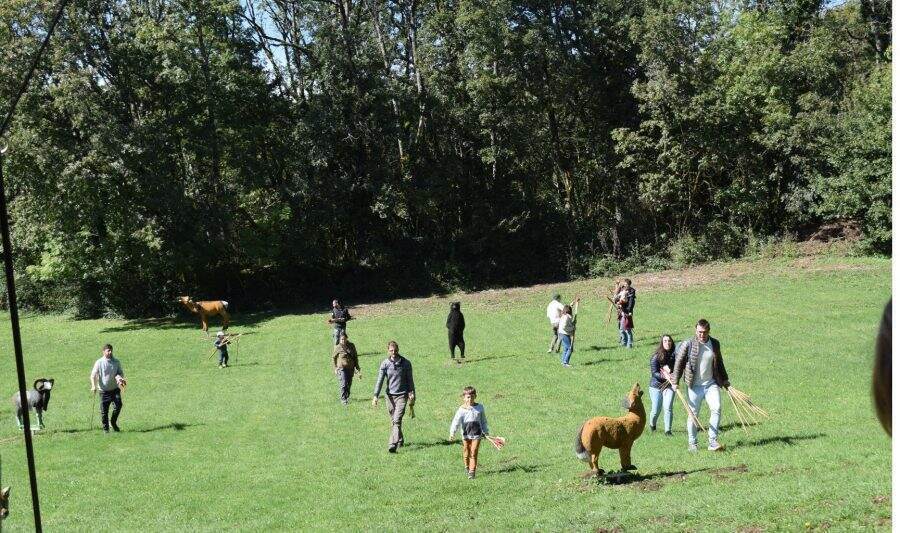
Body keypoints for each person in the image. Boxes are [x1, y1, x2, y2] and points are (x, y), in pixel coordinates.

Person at [672, 319, 729, 452]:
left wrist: (725, 379)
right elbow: (679, 363)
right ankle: (692, 443)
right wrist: (675, 382)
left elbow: (719, 362)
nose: (702, 335)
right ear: (695, 330)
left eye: (704, 332)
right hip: (694, 386)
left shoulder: (714, 343)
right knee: (693, 414)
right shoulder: (688, 344)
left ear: (709, 331)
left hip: (711, 384)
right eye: (699, 332)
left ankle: (712, 441)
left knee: (717, 408)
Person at [372, 341, 415, 453]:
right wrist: (376, 396)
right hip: (389, 397)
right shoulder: (385, 364)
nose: (393, 352)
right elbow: (380, 380)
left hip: (402, 395)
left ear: (398, 350)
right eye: (391, 350)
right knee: (394, 421)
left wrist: (412, 393)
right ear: (388, 351)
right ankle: (400, 440)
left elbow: (410, 380)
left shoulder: (406, 363)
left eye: (395, 350)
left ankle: (392, 444)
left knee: (397, 419)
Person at [449, 386, 490, 479]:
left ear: (475, 396)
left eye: (472, 397)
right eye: (468, 397)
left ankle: (472, 472)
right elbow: (455, 422)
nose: (470, 399)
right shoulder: (461, 410)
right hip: (466, 434)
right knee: (466, 451)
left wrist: (486, 431)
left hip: (477, 434)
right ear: (464, 398)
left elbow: (483, 421)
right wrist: (452, 433)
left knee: (474, 452)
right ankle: (467, 467)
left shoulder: (480, 407)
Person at [90, 344, 126, 433]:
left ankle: (113, 422)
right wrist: (93, 386)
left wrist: (120, 379)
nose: (110, 352)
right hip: (104, 391)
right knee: (104, 412)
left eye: (111, 350)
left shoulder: (116, 362)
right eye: (108, 351)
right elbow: (93, 375)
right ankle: (106, 429)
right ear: (103, 352)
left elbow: (120, 373)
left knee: (118, 405)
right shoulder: (99, 362)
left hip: (114, 389)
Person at [648, 334, 677, 435]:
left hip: (669, 385)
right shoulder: (656, 357)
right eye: (665, 341)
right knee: (656, 410)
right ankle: (652, 426)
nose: (667, 343)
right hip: (656, 386)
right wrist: (665, 376)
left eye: (669, 341)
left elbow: (678, 369)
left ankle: (668, 431)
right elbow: (654, 373)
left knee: (668, 407)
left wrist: (674, 376)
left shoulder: (675, 355)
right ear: (662, 343)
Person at [333, 332, 361, 405]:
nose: (343, 341)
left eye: (344, 339)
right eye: (342, 339)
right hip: (342, 368)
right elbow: (334, 357)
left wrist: (357, 367)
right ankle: (343, 399)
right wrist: (335, 367)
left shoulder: (351, 346)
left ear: (347, 339)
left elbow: (355, 356)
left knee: (349, 383)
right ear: (340, 340)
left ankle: (347, 396)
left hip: (350, 368)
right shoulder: (338, 347)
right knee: (344, 383)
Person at [616, 279, 636, 348]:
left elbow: (631, 303)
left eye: (626, 284)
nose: (624, 285)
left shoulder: (631, 292)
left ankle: (629, 344)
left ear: (629, 285)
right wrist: (618, 302)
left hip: (627, 312)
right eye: (624, 284)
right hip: (621, 311)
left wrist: (628, 311)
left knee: (627, 329)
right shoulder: (622, 290)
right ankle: (623, 342)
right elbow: (616, 298)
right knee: (621, 329)